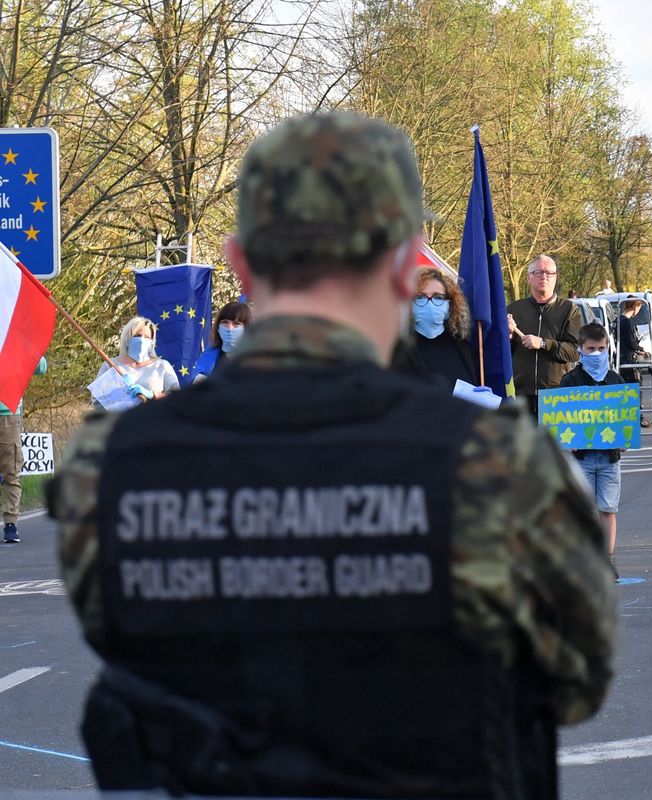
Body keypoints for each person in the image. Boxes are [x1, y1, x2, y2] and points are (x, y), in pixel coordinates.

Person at [49, 111, 616, 797]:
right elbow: (578, 678)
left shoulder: (108, 470)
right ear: (406, 264)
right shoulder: (500, 464)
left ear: (240, 262)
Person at [559, 323, 626, 574]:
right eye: (591, 349)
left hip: (610, 458)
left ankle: (607, 559)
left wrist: (624, 438)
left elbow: (626, 418)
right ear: (581, 350)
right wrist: (567, 443)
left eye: (601, 348)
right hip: (581, 459)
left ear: (608, 348)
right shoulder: (570, 381)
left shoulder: (616, 380)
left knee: (607, 510)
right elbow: (560, 419)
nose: (596, 353)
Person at [509, 254, 583, 414]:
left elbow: (575, 352)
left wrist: (544, 343)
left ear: (556, 278)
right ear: (529, 278)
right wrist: (507, 336)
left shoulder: (569, 310)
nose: (544, 276)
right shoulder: (514, 309)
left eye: (549, 273)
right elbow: (499, 354)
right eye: (538, 272)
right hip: (520, 395)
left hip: (556, 395)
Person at [391, 266, 478, 390]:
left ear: (450, 304)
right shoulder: (395, 350)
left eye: (438, 297)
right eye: (420, 297)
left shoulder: (463, 346)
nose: (430, 304)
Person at [0, 355, 47, 544]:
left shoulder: (13, 340)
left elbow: (41, 366)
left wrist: (28, 344)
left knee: (11, 470)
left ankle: (11, 523)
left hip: (8, 414)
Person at [95, 317, 181, 404]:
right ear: (127, 338)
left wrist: (153, 395)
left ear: (152, 342)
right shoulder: (110, 366)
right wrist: (118, 394)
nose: (142, 340)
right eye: (137, 335)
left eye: (147, 337)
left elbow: (177, 398)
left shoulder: (162, 366)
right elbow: (97, 400)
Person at [192, 301, 252, 381]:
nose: (229, 328)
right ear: (218, 327)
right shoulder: (209, 356)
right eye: (225, 322)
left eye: (236, 324)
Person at [617, 297, 652, 428]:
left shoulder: (618, 320)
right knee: (636, 388)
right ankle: (639, 417)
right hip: (630, 360)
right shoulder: (627, 322)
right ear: (635, 307)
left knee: (625, 389)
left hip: (620, 358)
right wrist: (641, 350)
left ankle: (627, 417)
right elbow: (631, 342)